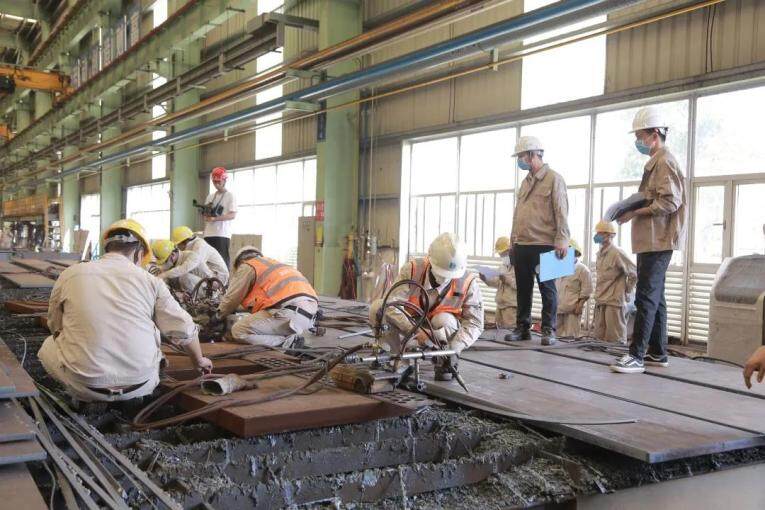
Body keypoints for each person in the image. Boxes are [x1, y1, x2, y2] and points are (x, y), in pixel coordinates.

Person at [37, 219, 212, 403]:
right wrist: (199, 361)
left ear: (107, 248)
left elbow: (54, 324)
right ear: (139, 252)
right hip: (141, 383)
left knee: (47, 346)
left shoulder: (71, 273)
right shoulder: (151, 281)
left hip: (85, 385)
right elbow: (184, 329)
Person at [610, 106, 687, 374]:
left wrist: (633, 211)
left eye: (640, 136)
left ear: (655, 135)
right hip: (653, 240)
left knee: (645, 296)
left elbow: (670, 202)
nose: (638, 142)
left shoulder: (664, 162)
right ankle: (657, 352)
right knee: (656, 297)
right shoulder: (657, 162)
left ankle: (637, 356)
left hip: (658, 240)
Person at [368, 233, 484, 380]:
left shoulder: (467, 281)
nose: (444, 278)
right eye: (441, 271)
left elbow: (475, 322)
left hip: (440, 330)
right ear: (430, 258)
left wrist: (456, 347)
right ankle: (396, 358)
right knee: (378, 307)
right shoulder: (413, 269)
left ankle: (443, 360)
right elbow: (391, 304)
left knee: (445, 320)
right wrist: (416, 331)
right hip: (410, 323)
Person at [506, 136, 570, 346]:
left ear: (533, 154)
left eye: (521, 156)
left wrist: (562, 239)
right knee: (523, 289)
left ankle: (548, 330)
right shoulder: (525, 182)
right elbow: (518, 213)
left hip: (546, 243)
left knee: (548, 289)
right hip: (523, 244)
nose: (520, 160)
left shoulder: (554, 178)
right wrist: (513, 240)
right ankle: (522, 328)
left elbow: (561, 210)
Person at [214, 246, 318, 348]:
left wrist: (217, 316)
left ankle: (287, 343)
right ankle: (289, 338)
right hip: (309, 318)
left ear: (239, 262)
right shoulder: (275, 265)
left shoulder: (247, 266)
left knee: (239, 330)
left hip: (289, 314)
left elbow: (232, 298)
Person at [592, 221, 637, 345]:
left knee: (615, 338)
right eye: (597, 233)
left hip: (614, 301)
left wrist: (627, 291)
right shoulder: (600, 254)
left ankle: (616, 354)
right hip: (601, 299)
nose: (597, 236)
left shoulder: (617, 252)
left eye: (601, 233)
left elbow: (634, 273)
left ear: (610, 235)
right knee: (599, 337)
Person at [555, 239, 592, 338]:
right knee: (555, 336)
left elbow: (586, 290)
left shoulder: (583, 270)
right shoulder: (558, 267)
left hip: (572, 310)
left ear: (576, 253)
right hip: (558, 308)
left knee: (570, 337)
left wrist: (580, 306)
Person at [203, 167, 237, 267]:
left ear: (224, 180)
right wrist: (206, 216)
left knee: (222, 261)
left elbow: (232, 215)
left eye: (219, 181)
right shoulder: (210, 196)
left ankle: (225, 277)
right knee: (208, 262)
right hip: (208, 234)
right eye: (214, 182)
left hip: (222, 234)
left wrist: (215, 218)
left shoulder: (230, 196)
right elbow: (205, 214)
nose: (216, 184)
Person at [480, 236, 517, 332]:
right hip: (500, 306)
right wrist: (485, 279)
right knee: (497, 333)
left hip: (511, 308)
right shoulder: (503, 266)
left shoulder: (520, 266)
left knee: (509, 332)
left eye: (503, 254)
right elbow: (496, 282)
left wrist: (507, 279)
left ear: (510, 251)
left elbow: (522, 286)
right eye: (501, 254)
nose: (502, 256)